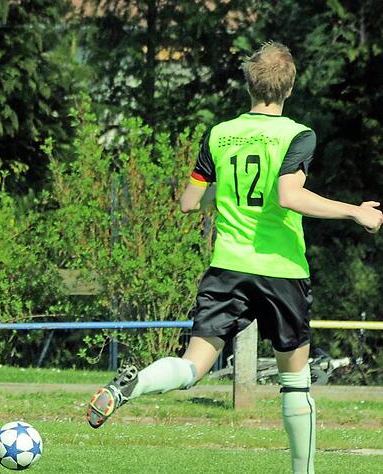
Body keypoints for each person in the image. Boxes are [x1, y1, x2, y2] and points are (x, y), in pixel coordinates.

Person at [84, 42, 383, 474]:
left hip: (228, 268)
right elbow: (288, 195)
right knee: (296, 383)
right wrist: (354, 211)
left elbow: (190, 201)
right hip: (281, 272)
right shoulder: (298, 134)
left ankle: (135, 385)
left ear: (248, 85)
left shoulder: (219, 134)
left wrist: (222, 196)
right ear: (290, 87)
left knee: (193, 365)